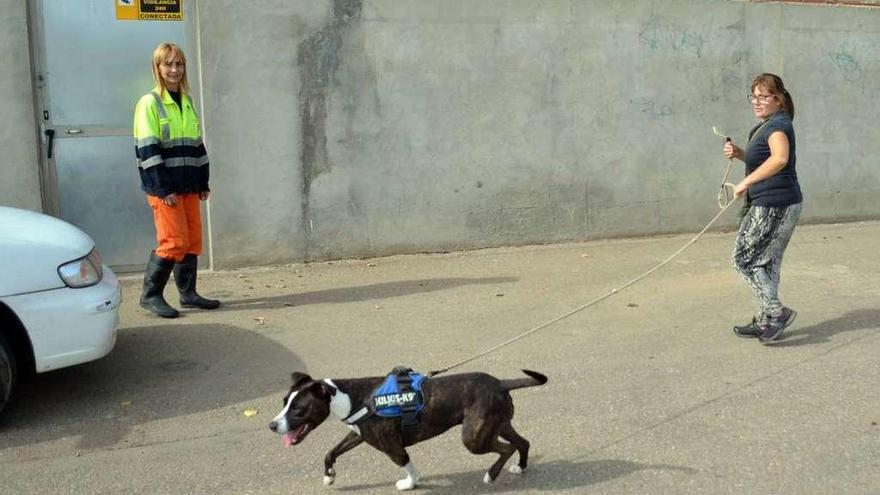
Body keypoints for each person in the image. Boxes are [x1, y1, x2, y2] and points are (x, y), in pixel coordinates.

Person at [134, 42, 220, 318]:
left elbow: (196, 145)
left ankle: (188, 294)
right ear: (157, 68)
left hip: (189, 186)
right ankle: (150, 296)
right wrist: (162, 188)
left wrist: (202, 182)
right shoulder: (150, 103)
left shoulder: (187, 101)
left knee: (192, 241)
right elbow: (147, 150)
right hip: (166, 189)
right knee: (173, 242)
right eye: (168, 64)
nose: (174, 69)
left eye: (179, 64)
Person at [722, 73, 802, 343]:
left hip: (775, 204)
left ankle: (775, 312)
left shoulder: (778, 126)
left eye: (763, 96)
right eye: (753, 96)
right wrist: (740, 154)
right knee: (767, 263)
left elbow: (780, 159)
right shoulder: (766, 125)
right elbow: (764, 159)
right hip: (773, 202)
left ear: (778, 100)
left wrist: (745, 181)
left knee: (744, 259)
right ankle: (766, 321)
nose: (756, 102)